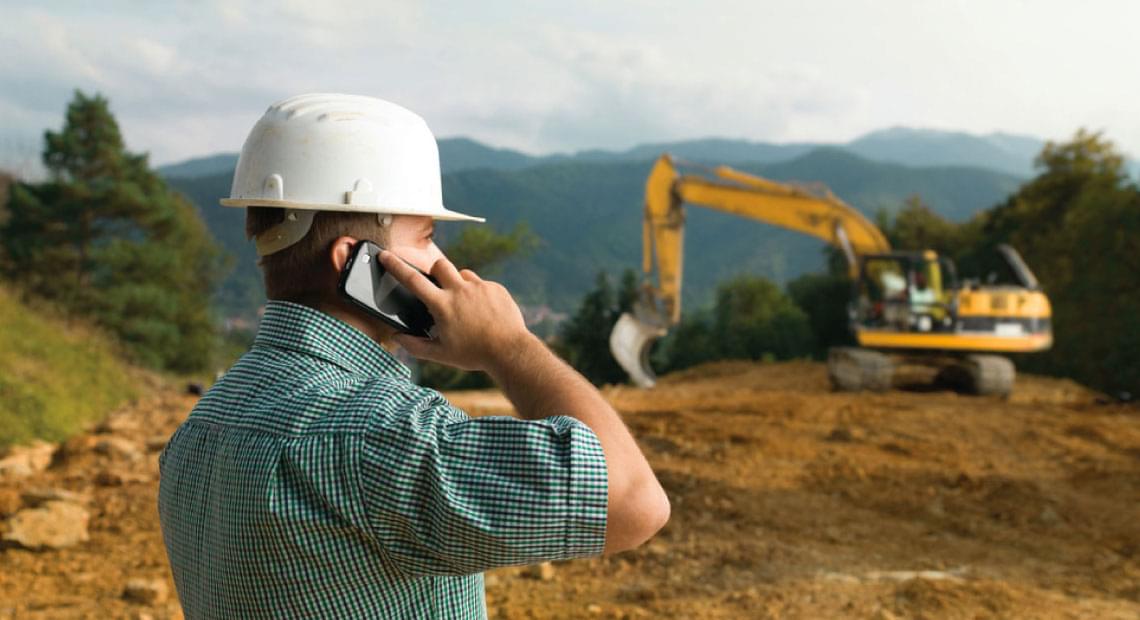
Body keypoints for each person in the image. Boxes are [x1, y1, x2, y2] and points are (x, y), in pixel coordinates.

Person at [157, 93, 669, 619]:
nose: (442, 262)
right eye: (425, 237)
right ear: (354, 262)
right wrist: (507, 346)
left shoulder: (201, 426)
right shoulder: (382, 437)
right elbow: (633, 501)